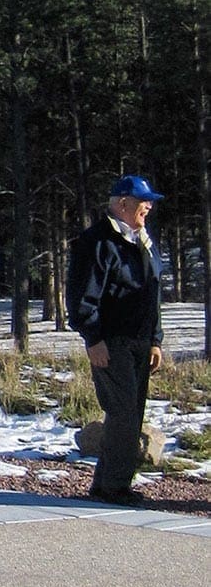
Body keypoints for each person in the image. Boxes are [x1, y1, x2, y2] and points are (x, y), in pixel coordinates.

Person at [65, 174, 166, 505]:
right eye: (143, 202)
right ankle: (111, 487)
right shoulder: (97, 242)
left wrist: (155, 339)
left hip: (139, 341)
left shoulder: (142, 242)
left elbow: (152, 295)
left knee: (132, 414)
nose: (148, 208)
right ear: (123, 203)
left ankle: (113, 484)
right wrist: (93, 338)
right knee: (122, 412)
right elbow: (82, 297)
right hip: (111, 342)